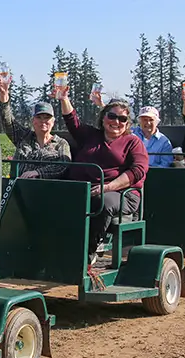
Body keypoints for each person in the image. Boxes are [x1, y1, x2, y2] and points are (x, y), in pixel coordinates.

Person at [58, 91, 148, 266]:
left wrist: (108, 186)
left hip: (122, 194)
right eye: (112, 116)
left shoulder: (133, 142)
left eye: (122, 119)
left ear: (127, 123)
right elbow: (72, 121)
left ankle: (89, 251)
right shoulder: (91, 136)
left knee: (102, 201)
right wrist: (64, 99)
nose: (116, 122)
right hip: (85, 189)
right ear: (103, 117)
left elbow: (138, 170)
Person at [0, 74, 71, 179]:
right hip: (19, 187)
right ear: (33, 121)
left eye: (47, 118)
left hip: (48, 189)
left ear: (53, 122)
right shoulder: (24, 137)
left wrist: (38, 172)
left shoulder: (61, 144)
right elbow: (7, 121)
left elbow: (63, 166)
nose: (43, 121)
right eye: (39, 117)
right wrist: (4, 95)